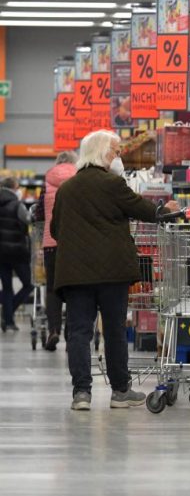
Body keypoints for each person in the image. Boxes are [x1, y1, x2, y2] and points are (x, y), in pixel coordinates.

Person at [51, 130, 179, 411]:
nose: (118, 156)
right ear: (101, 152)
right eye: (115, 151)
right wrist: (166, 209)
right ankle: (120, 391)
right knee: (114, 331)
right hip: (112, 273)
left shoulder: (66, 189)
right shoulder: (113, 184)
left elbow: (55, 230)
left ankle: (81, 394)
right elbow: (144, 210)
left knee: (79, 332)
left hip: (75, 273)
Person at [42, 150, 78, 351]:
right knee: (74, 288)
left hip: (50, 243)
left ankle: (53, 330)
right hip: (74, 243)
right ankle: (71, 334)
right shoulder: (79, 178)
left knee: (52, 289)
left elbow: (39, 211)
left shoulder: (48, 179)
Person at [0, 176, 34, 333]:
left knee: (7, 287)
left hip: (1, 253)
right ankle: (8, 312)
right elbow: (28, 220)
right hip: (17, 252)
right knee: (29, 283)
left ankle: (8, 321)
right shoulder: (17, 204)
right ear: (14, 188)